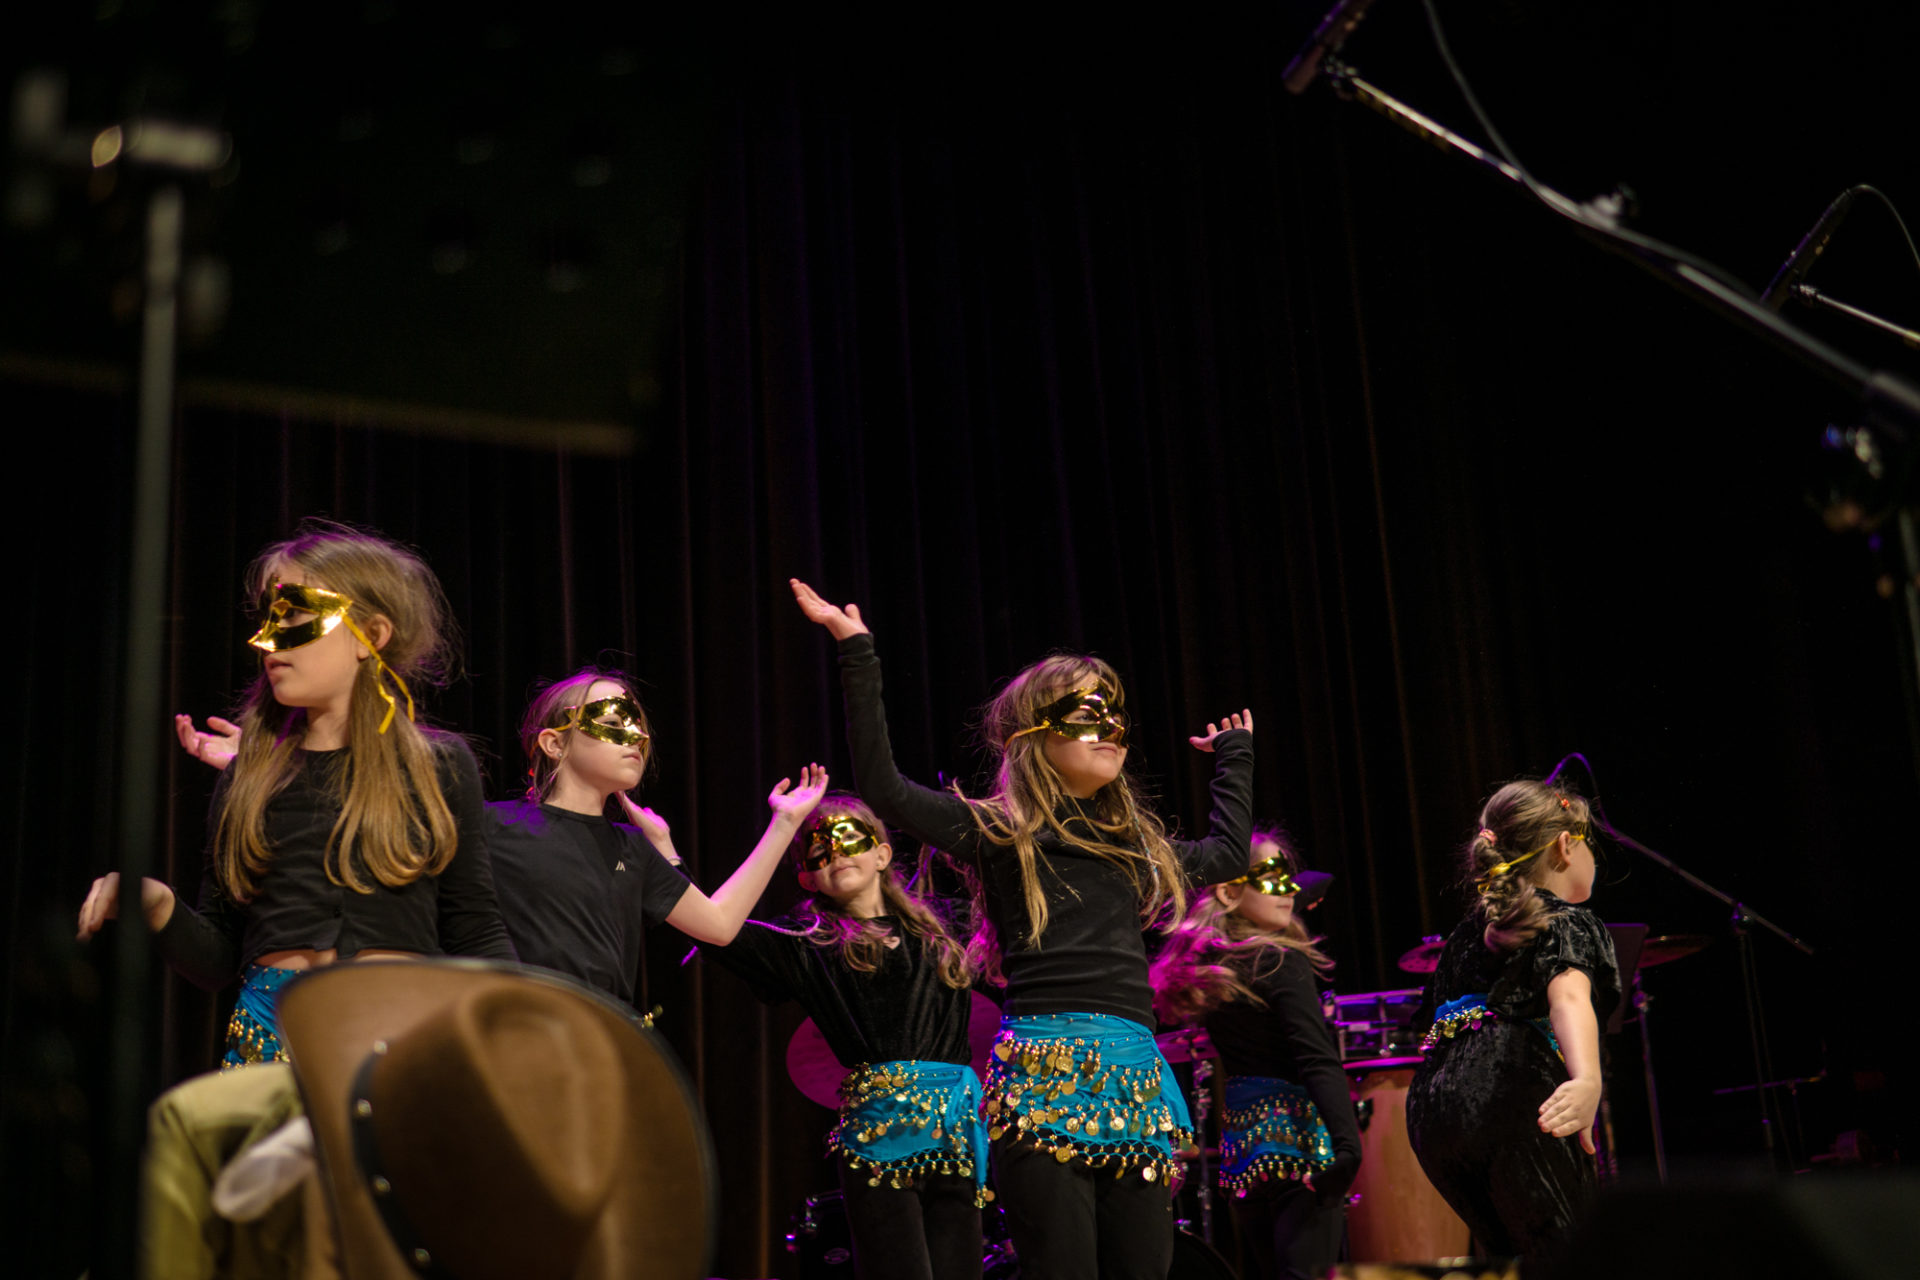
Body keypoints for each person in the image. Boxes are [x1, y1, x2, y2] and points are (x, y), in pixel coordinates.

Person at [791, 579, 1255, 1280]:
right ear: (1034, 734)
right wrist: (858, 652)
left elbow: (1224, 856)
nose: (1110, 728)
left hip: (1134, 1080)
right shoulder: (999, 833)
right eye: (1087, 714)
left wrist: (1235, 759)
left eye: (1115, 715)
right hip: (1041, 1081)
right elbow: (885, 789)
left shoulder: (1136, 848)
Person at [77, 519, 517, 1067]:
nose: (266, 641)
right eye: (267, 616)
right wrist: (156, 902)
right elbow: (217, 958)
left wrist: (520, 1031)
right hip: (270, 1038)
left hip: (399, 1036)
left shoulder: (438, 767)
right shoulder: (250, 779)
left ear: (371, 635)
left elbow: (474, 926)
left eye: (294, 616)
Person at [700, 794, 988, 1280]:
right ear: (807, 879)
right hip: (878, 1141)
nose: (836, 854)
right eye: (819, 852)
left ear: (882, 854)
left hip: (956, 1134)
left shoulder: (947, 925)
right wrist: (667, 853)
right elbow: (712, 928)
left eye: (850, 839)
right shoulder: (807, 942)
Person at [488, 665, 829, 1007]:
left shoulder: (631, 848)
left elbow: (720, 925)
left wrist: (785, 822)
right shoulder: (492, 825)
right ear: (554, 743)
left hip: (602, 1033)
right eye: (612, 723)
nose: (637, 736)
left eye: (638, 725)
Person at [1404, 779, 1618, 1265]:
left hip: (1432, 1114)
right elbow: (1568, 996)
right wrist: (1588, 1079)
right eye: (1589, 843)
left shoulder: (1465, 934)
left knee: (1510, 1260)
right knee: (1569, 1255)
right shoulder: (1566, 920)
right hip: (1510, 1094)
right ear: (1565, 846)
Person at [1150, 827, 1360, 1280]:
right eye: (1272, 877)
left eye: (1290, 878)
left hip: (1245, 1153)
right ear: (1228, 891)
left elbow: (1305, 886)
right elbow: (1316, 1058)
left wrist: (1271, 885)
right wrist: (1348, 1145)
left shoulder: (1213, 967)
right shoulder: (1281, 960)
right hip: (1300, 1143)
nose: (1289, 891)